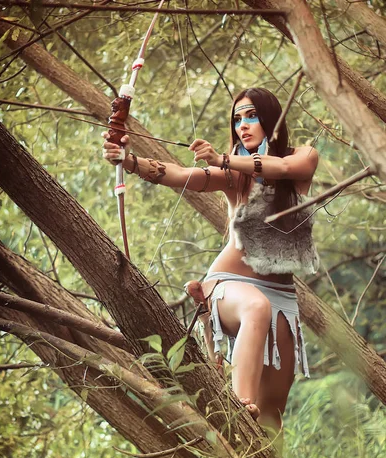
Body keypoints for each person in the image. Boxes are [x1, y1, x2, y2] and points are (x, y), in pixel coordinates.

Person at [103, 87, 319, 434]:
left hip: (283, 299)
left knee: (271, 415)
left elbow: (281, 166)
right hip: (230, 286)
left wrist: (222, 159)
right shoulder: (235, 175)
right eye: (237, 119)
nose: (243, 126)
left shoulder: (303, 158)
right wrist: (127, 161)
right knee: (255, 309)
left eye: (251, 116)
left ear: (272, 119)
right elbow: (176, 175)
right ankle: (236, 413)